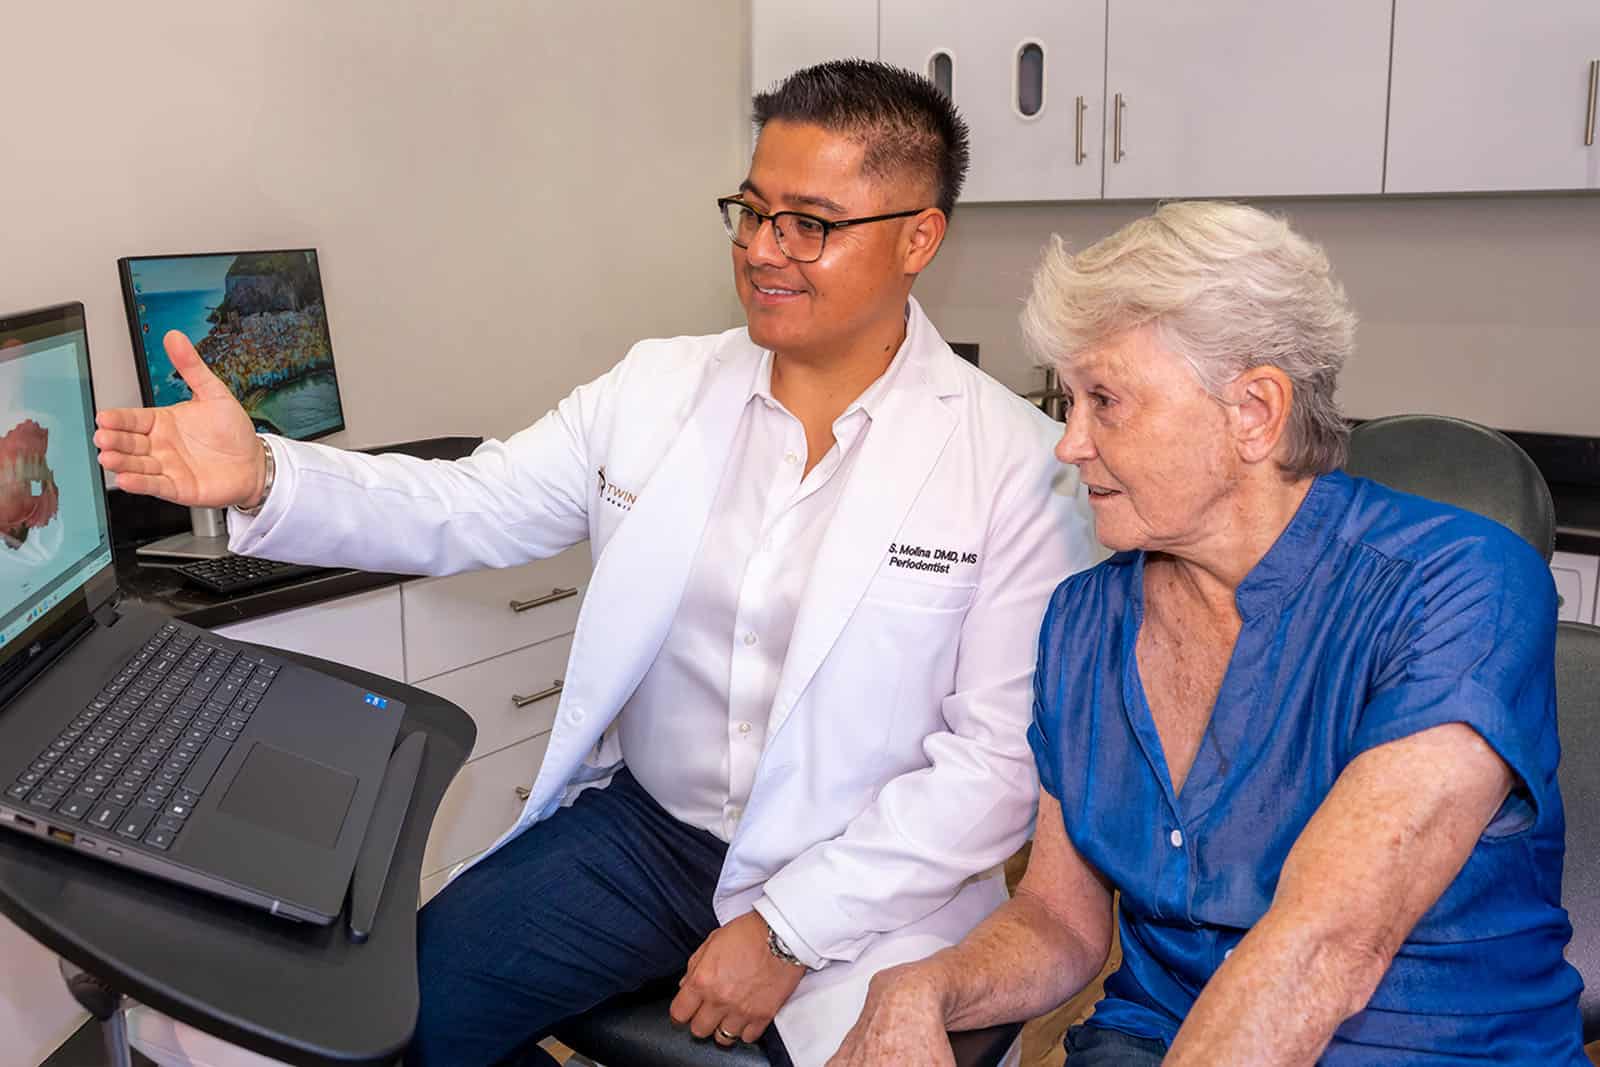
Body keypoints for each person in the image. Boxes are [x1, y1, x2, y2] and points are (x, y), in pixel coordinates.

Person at [94, 60, 1099, 1067]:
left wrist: (792, 926)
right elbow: (466, 502)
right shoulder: (655, 388)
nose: (761, 249)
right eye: (750, 211)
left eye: (810, 223)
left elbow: (990, 763)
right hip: (647, 837)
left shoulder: (1015, 465)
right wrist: (264, 473)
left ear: (918, 236)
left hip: (873, 877)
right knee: (392, 1031)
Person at [829, 200, 1586, 1066]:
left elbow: (1326, 946)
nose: (1067, 444)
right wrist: (926, 983)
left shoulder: (1459, 585)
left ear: (1255, 411)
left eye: (1104, 401)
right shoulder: (1083, 621)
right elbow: (1059, 920)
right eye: (1064, 399)